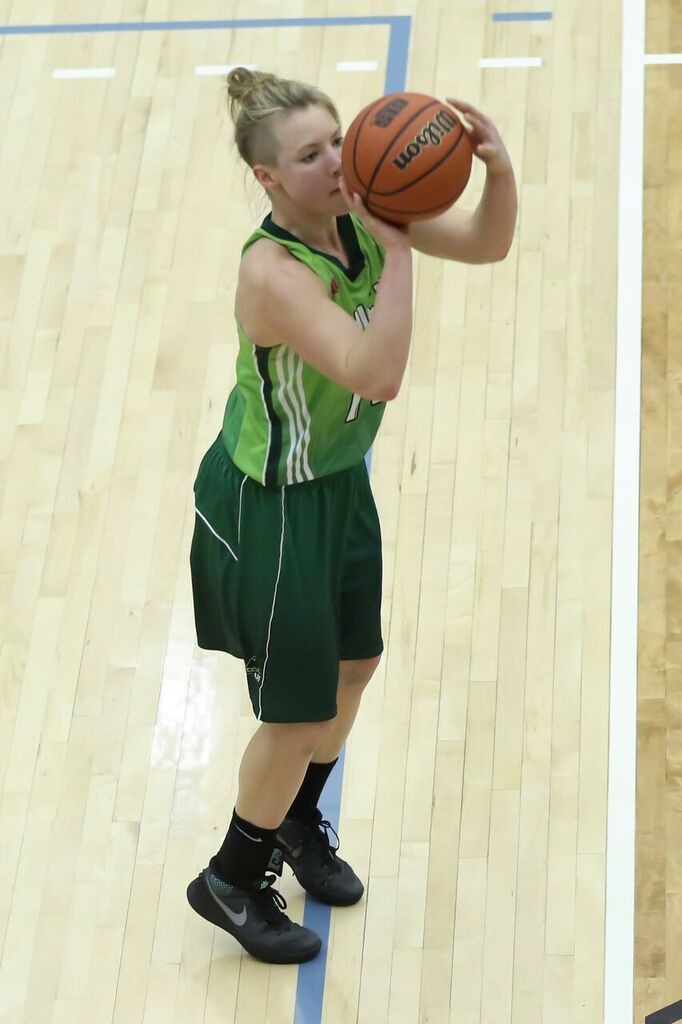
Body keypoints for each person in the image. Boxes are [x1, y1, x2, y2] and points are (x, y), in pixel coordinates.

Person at [186, 67, 517, 964]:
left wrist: (498, 173)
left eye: (337, 140)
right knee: (294, 716)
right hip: (274, 507)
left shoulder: (358, 215)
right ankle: (230, 875)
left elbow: (487, 245)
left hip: (335, 484)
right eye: (308, 155)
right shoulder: (273, 273)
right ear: (266, 177)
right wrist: (399, 250)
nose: (336, 163)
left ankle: (295, 822)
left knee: (356, 666)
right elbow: (376, 374)